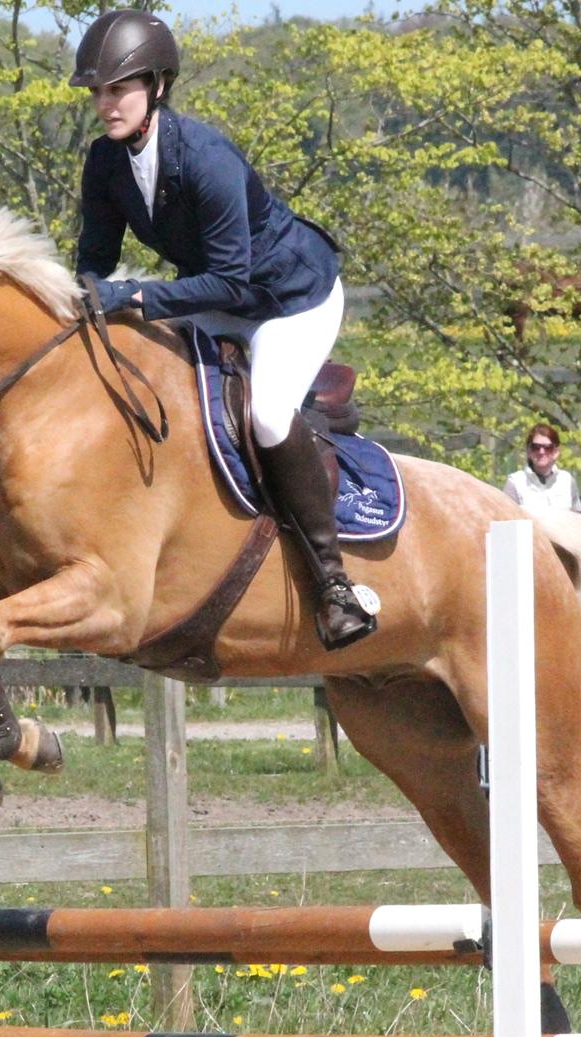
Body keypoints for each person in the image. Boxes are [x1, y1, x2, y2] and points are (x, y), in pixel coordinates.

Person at [69, 9, 377, 651]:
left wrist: (138, 294)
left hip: (290, 297)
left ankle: (333, 584)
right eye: (99, 91)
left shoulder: (206, 158)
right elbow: (95, 261)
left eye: (118, 89)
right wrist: (86, 298)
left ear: (156, 86)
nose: (105, 104)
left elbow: (234, 282)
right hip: (218, 294)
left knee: (266, 413)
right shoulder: (105, 162)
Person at [502, 424, 581, 513]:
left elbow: (578, 520)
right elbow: (506, 519)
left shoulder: (567, 481)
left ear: (556, 452)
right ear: (529, 451)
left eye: (548, 448)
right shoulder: (515, 483)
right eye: (536, 447)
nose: (541, 452)